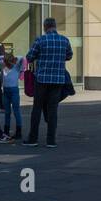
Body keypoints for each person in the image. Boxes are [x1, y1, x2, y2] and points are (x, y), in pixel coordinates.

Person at [23, 17, 73, 148]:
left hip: (41, 79)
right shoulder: (64, 40)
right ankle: (51, 140)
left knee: (37, 108)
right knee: (53, 110)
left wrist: (41, 57)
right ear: (55, 26)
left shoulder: (40, 40)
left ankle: (33, 138)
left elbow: (29, 57)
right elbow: (69, 56)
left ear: (45, 27)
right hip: (58, 79)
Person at [1, 52, 26, 138]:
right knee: (7, 112)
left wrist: (13, 59)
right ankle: (6, 131)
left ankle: (18, 132)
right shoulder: (4, 66)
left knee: (16, 111)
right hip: (6, 90)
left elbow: (22, 58)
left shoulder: (16, 67)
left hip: (13, 90)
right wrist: (5, 58)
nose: (8, 64)